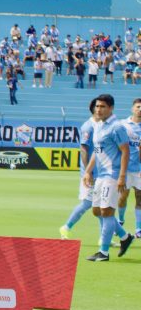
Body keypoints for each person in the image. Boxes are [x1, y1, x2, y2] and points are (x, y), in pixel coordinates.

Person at [83, 94, 134, 261]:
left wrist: (122, 177)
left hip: (113, 175)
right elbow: (97, 153)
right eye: (97, 106)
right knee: (96, 210)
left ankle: (103, 252)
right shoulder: (98, 125)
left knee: (107, 211)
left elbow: (125, 151)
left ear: (111, 108)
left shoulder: (117, 127)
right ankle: (125, 237)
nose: (98, 109)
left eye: (102, 107)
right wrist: (88, 171)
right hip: (101, 175)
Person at [60, 102, 101, 240]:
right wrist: (87, 171)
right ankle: (66, 227)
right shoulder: (88, 127)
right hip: (91, 172)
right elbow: (83, 149)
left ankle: (105, 237)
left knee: (101, 205)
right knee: (87, 203)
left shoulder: (100, 126)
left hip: (100, 171)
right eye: (99, 106)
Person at [118, 98, 141, 239]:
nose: (140, 109)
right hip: (125, 168)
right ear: (132, 109)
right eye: (138, 107)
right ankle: (120, 220)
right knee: (122, 196)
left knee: (140, 198)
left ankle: (139, 228)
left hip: (139, 169)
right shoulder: (123, 125)